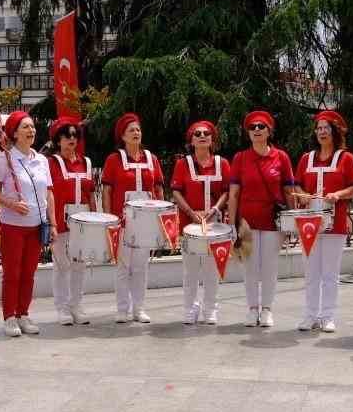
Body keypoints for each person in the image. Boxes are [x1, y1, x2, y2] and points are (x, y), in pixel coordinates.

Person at [227, 110, 297, 328]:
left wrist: (292, 221)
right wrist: (232, 224)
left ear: (269, 131)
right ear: (248, 133)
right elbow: (234, 193)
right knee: (249, 267)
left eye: (261, 127)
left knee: (269, 267)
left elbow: (289, 191)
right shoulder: (240, 158)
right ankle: (252, 309)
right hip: (247, 222)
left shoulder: (281, 157)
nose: (256, 130)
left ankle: (266, 309)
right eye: (252, 127)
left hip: (272, 222)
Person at [295, 110, 353, 333]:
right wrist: (303, 194)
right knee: (311, 270)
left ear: (334, 131)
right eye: (319, 128)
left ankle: (328, 316)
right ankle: (310, 315)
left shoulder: (346, 158)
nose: (322, 131)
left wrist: (338, 194)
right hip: (309, 222)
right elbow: (297, 185)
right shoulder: (306, 159)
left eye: (326, 128)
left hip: (336, 221)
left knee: (330, 272)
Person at [0, 111, 51, 337]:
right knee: (12, 273)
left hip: (37, 225)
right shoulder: (5, 158)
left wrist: (51, 222)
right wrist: (11, 204)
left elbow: (49, 193)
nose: (31, 130)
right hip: (13, 226)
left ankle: (23, 314)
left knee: (29, 273)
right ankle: (9, 317)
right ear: (14, 133)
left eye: (32, 127)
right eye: (25, 127)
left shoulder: (42, 160)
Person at [100, 113, 163, 323]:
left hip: (146, 223)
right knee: (123, 266)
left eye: (138, 129)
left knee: (141, 267)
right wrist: (110, 219)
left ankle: (139, 308)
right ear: (123, 136)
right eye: (131, 130)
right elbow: (107, 191)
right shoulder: (114, 159)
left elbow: (158, 190)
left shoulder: (151, 159)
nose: (136, 133)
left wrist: (161, 218)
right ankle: (122, 309)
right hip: (122, 221)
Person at [169, 120, 231, 326]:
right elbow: (176, 191)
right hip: (190, 225)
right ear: (192, 140)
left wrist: (214, 210)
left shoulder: (222, 163)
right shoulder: (182, 164)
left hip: (215, 226)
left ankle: (210, 308)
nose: (202, 136)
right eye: (197, 134)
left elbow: (227, 191)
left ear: (212, 139)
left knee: (212, 269)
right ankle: (190, 308)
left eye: (206, 133)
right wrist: (189, 211)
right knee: (191, 270)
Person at [46, 116, 95, 326]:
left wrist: (95, 218)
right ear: (58, 140)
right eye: (66, 135)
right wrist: (50, 223)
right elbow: (47, 193)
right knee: (62, 265)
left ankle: (77, 305)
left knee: (79, 264)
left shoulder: (86, 162)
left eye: (75, 135)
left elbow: (91, 193)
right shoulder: (50, 163)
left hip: (83, 221)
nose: (71, 139)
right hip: (60, 220)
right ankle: (62, 308)